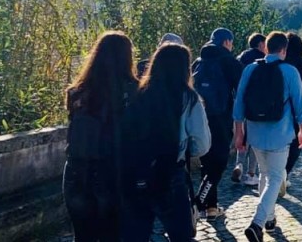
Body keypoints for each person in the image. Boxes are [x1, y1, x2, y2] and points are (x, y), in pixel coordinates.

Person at [122, 42, 211, 242]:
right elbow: (202, 144)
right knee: (181, 235)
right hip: (171, 174)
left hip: (137, 173)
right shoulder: (189, 98)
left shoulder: (138, 94)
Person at [63, 31, 138, 242]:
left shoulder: (76, 92)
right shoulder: (132, 92)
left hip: (76, 171)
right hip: (111, 172)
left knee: (83, 236)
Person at [233, 31, 302, 242]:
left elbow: (239, 103)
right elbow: (300, 107)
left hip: (255, 133)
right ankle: (257, 223)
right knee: (275, 178)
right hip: (280, 134)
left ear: (266, 47)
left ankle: (270, 219)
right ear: (283, 50)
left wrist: (239, 133)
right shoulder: (290, 71)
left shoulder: (250, 68)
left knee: (265, 174)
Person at [193, 28, 243, 219]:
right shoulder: (230, 62)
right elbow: (241, 91)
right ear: (226, 42)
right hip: (221, 118)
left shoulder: (198, 62)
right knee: (219, 162)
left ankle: (211, 207)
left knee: (207, 162)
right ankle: (197, 204)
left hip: (199, 117)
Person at [232, 33, 266, 186]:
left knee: (241, 136)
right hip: (256, 105)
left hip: (240, 101)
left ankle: (238, 164)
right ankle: (251, 173)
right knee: (254, 139)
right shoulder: (262, 62)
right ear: (260, 44)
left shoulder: (240, 58)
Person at [281, 33, 302, 191]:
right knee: (296, 144)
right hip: (295, 110)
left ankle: (275, 176)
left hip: (275, 109)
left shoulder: (278, 61)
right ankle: (284, 173)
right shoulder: (301, 63)